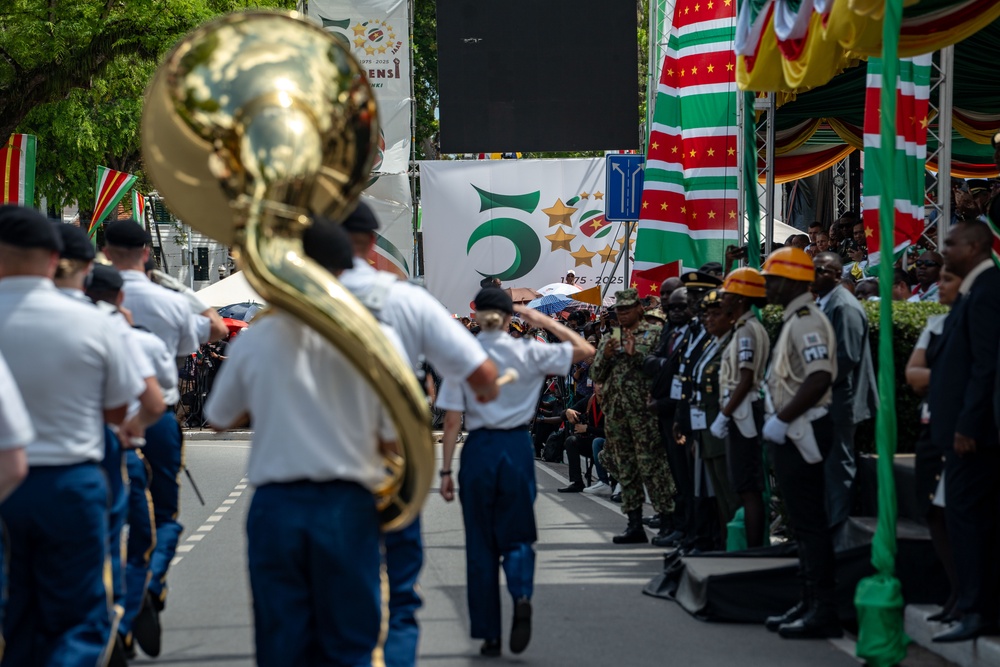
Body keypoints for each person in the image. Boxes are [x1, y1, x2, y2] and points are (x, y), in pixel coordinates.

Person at [205, 221, 397, 665]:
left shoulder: (259, 337)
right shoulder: (371, 336)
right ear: (345, 269)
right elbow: (393, 437)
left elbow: (218, 418)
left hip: (278, 505)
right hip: (347, 503)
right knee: (352, 642)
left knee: (281, 642)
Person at [337, 203, 499, 667]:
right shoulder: (407, 299)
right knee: (401, 587)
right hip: (392, 457)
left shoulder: (300, 299)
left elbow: (229, 409)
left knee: (335, 586)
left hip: (326, 462)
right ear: (372, 243)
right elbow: (482, 375)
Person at [0, 205, 143, 665]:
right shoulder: (94, 321)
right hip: (69, 480)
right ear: (52, 258)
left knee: (14, 619)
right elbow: (118, 407)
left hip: (7, 486)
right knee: (78, 619)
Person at [436, 289, 594, 657]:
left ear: (476, 316)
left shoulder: (464, 357)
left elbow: (452, 420)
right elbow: (585, 351)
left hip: (479, 449)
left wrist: (445, 470)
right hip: (516, 447)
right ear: (511, 318)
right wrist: (543, 321)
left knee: (480, 541)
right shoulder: (530, 350)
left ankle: (489, 633)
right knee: (518, 530)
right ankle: (521, 591)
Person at [759, 247, 841, 640]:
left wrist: (782, 418)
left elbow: (819, 377)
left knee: (809, 524)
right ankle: (809, 600)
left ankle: (822, 608)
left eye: (773, 278)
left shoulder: (807, 321)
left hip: (803, 429)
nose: (768, 285)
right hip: (791, 430)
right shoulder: (795, 319)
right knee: (800, 523)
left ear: (792, 281)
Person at [926, 221, 1000, 643]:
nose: (944, 248)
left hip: (973, 436)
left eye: (951, 242)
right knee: (967, 521)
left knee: (970, 523)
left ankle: (977, 610)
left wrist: (969, 424)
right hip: (960, 431)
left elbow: (985, 365)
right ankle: (973, 605)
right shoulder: (976, 287)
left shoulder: (987, 289)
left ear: (974, 246)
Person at [591, 288, 674, 545]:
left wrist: (633, 352)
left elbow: (662, 368)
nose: (623, 314)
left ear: (640, 308)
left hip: (645, 414)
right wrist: (605, 356)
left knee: (654, 467)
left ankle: (668, 520)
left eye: (628, 309)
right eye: (620, 310)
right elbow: (596, 373)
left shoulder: (654, 333)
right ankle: (634, 523)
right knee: (625, 467)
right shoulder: (611, 336)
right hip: (617, 414)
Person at [904, 267, 961, 625]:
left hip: (962, 436)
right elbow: (913, 374)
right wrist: (950, 377)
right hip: (932, 432)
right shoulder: (936, 325)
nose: (941, 284)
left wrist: (938, 378)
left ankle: (967, 594)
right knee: (934, 515)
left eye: (950, 278)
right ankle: (956, 590)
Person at [811, 252, 877, 529]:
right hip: (828, 402)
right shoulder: (823, 303)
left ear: (838, 275)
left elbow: (846, 357)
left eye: (821, 271)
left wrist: (811, 387)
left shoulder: (844, 306)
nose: (813, 276)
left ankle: (840, 537)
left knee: (839, 471)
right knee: (827, 472)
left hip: (842, 403)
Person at [713, 268, 770, 548]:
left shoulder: (747, 330)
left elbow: (746, 377)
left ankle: (754, 549)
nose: (722, 300)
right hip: (738, 411)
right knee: (744, 485)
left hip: (743, 412)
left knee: (748, 488)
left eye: (728, 296)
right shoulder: (742, 328)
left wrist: (724, 415)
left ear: (739, 300)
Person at [689, 289, 739, 547]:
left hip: (722, 426)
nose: (709, 319)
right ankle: (721, 542)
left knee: (728, 491)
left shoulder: (733, 343)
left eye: (716, 314)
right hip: (705, 426)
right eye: (707, 315)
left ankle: (732, 544)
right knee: (716, 490)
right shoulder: (713, 343)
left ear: (731, 317)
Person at [644, 286, 694, 542]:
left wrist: (663, 364)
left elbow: (685, 373)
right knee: (676, 471)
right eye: (670, 307)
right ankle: (677, 525)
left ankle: (685, 529)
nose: (674, 311)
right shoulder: (670, 332)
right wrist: (665, 364)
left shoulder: (695, 333)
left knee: (686, 476)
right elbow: (649, 361)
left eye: (680, 306)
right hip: (663, 410)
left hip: (682, 410)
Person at [557, 383, 605, 492]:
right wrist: (568, 411)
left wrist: (587, 429)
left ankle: (608, 482)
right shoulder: (590, 400)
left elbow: (613, 431)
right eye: (598, 383)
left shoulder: (613, 402)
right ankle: (577, 482)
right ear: (594, 386)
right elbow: (562, 415)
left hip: (608, 443)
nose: (601, 386)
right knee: (571, 441)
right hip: (591, 443)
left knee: (597, 442)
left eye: (604, 382)